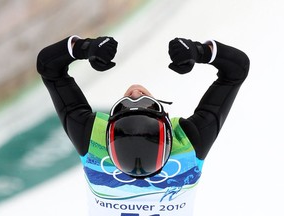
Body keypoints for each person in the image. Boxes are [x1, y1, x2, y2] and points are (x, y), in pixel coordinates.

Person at [36, 34, 249, 216]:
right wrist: (200, 52)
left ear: (109, 128)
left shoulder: (93, 136)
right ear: (166, 118)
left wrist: (84, 48)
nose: (135, 92)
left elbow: (48, 67)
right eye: (146, 103)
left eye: (124, 105)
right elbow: (237, 69)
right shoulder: (188, 141)